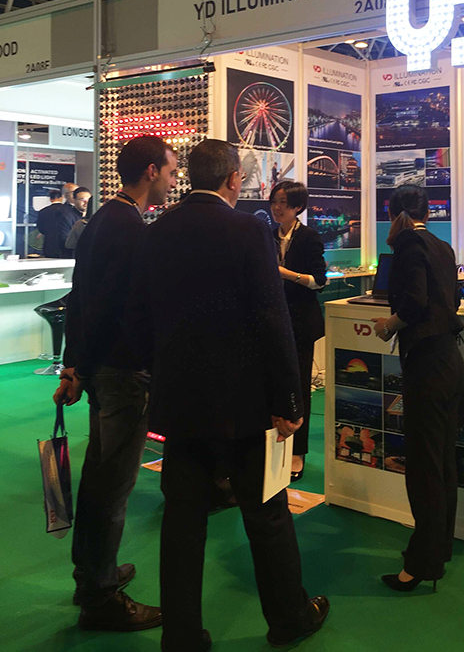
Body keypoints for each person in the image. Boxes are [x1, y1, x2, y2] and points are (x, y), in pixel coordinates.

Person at [126, 140, 329, 652]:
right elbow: (271, 317)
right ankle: (289, 619)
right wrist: (288, 401)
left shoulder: (158, 230)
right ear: (234, 179)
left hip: (179, 405)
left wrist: (161, 376)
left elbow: (141, 317)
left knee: (182, 523)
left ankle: (181, 635)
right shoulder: (248, 230)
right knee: (266, 514)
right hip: (244, 403)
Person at [53, 136, 178, 632]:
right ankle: (101, 595)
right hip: (123, 373)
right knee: (113, 487)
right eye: (170, 171)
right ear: (150, 171)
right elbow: (107, 308)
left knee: (99, 479)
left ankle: (92, 574)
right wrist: (80, 368)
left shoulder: (104, 219)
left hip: (103, 370)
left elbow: (79, 298)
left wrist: (74, 366)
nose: (173, 180)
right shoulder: (129, 228)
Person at [372, 184, 464, 594]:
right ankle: (437, 550)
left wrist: (387, 326)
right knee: (443, 461)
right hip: (449, 361)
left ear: (394, 213)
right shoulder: (442, 246)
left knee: (424, 468)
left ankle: (420, 564)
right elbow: (450, 302)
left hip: (426, 364)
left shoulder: (408, 246)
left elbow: (414, 302)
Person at [270, 181, 327, 481]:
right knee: (271, 385)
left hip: (301, 323)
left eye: (283, 202)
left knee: (300, 386)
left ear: (298, 207)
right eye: (274, 201)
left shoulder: (309, 237)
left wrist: (287, 275)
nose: (277, 208)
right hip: (272, 323)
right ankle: (272, 448)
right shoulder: (268, 236)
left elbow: (320, 281)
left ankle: (298, 452)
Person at [57, 185, 91, 257]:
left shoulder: (94, 216)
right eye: (82, 199)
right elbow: (64, 241)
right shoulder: (66, 217)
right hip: (72, 257)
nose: (86, 202)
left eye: (89, 199)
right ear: (74, 200)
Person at [36, 189, 65, 258]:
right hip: (64, 245)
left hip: (48, 244)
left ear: (50, 199)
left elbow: (41, 229)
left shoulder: (43, 211)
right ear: (62, 198)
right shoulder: (68, 210)